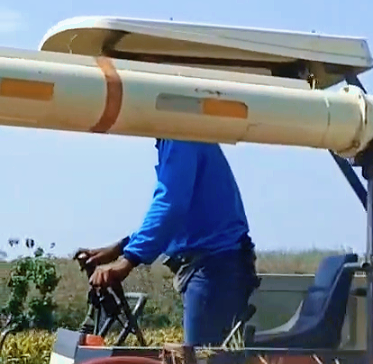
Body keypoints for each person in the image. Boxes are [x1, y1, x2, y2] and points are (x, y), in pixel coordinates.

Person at [77, 139, 259, 347]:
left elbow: (171, 206)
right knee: (203, 360)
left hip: (216, 268)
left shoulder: (179, 136)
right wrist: (120, 248)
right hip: (215, 265)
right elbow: (173, 219)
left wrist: (128, 260)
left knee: (203, 363)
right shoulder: (180, 136)